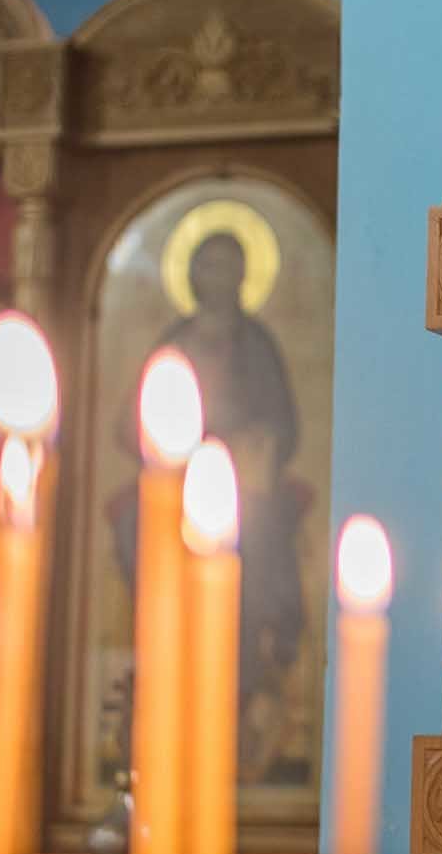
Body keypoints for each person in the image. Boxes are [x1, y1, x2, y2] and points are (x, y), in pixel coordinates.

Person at [110, 231, 312, 776]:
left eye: (230, 266)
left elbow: (285, 426)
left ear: (243, 276)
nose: (219, 277)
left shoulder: (257, 344)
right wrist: (173, 444)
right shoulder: (174, 340)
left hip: (244, 482)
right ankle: (162, 651)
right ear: (193, 274)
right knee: (133, 527)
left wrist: (250, 441)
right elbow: (129, 423)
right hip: (176, 485)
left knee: (258, 545)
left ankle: (250, 671)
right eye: (210, 266)